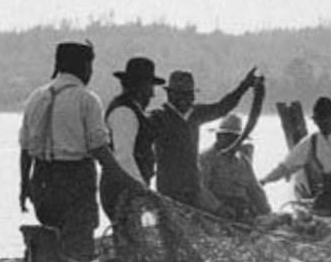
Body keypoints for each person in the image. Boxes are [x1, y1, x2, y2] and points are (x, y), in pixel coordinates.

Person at [18, 41, 145, 260]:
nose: (91, 72)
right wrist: (131, 183)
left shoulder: (35, 98)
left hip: (41, 182)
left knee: (54, 242)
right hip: (74, 181)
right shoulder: (87, 100)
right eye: (90, 66)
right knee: (78, 248)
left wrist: (24, 186)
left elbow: (26, 150)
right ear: (84, 66)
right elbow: (100, 151)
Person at [149, 67, 261, 211]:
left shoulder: (196, 114)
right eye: (180, 94)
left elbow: (222, 107)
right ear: (170, 94)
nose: (185, 99)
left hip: (193, 189)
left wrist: (244, 86)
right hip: (169, 190)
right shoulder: (158, 118)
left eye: (189, 95)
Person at [260, 96, 331, 215]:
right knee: (316, 215)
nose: (323, 123)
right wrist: (265, 180)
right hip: (330, 187)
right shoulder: (312, 141)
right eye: (319, 120)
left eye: (326, 118)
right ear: (315, 121)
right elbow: (287, 166)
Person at [100, 56, 165, 224]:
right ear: (140, 87)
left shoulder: (132, 109)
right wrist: (142, 190)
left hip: (131, 190)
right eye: (150, 86)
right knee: (134, 241)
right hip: (124, 192)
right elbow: (123, 157)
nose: (152, 93)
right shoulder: (124, 112)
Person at [199, 114, 271, 222]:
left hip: (241, 212)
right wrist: (219, 208)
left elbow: (254, 188)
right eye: (227, 136)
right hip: (217, 215)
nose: (232, 141)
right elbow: (201, 188)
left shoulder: (242, 160)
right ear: (218, 136)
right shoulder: (206, 158)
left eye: (236, 138)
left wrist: (266, 210)